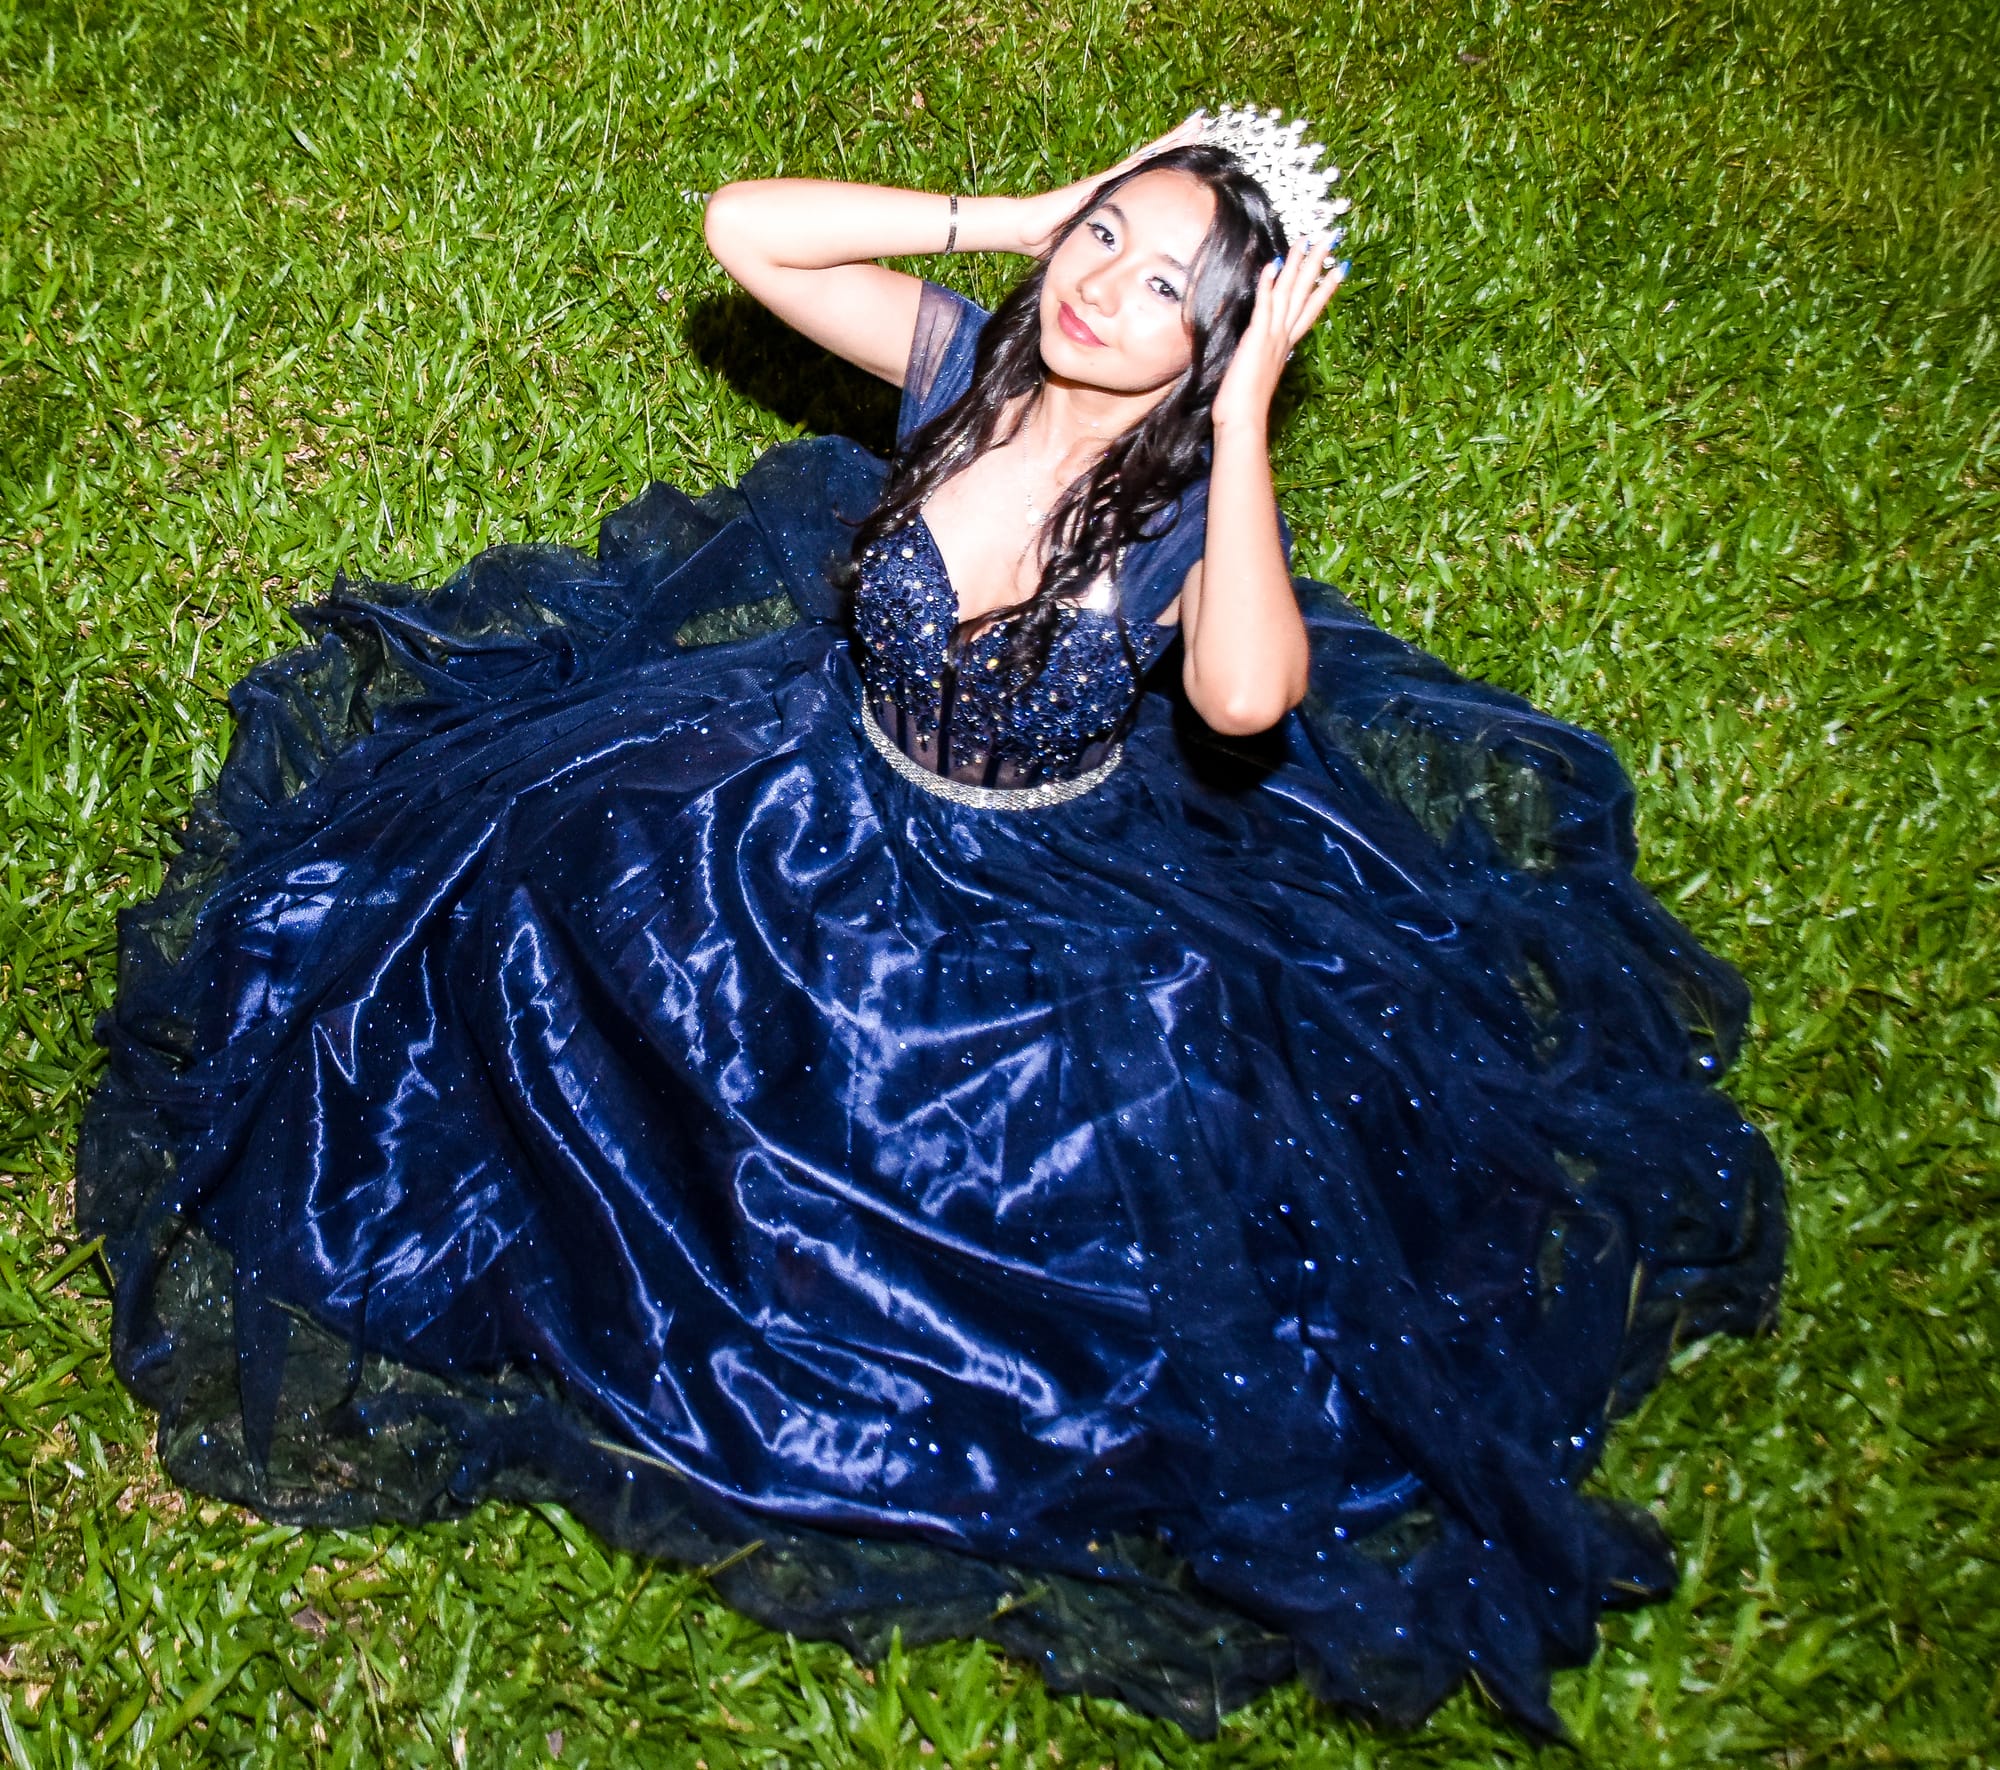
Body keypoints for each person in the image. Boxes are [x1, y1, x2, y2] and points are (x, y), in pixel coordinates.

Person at [80, 109, 1784, 1737]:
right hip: (803, 792)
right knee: (539, 910)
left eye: (1167, 289)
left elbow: (1247, 697)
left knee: (1087, 1191)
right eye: (1106, 238)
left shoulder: (1182, 513)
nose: (1106, 289)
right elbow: (745, 231)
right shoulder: (974, 370)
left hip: (1039, 893)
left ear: (1220, 345)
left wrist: (1249, 416)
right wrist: (1026, 220)